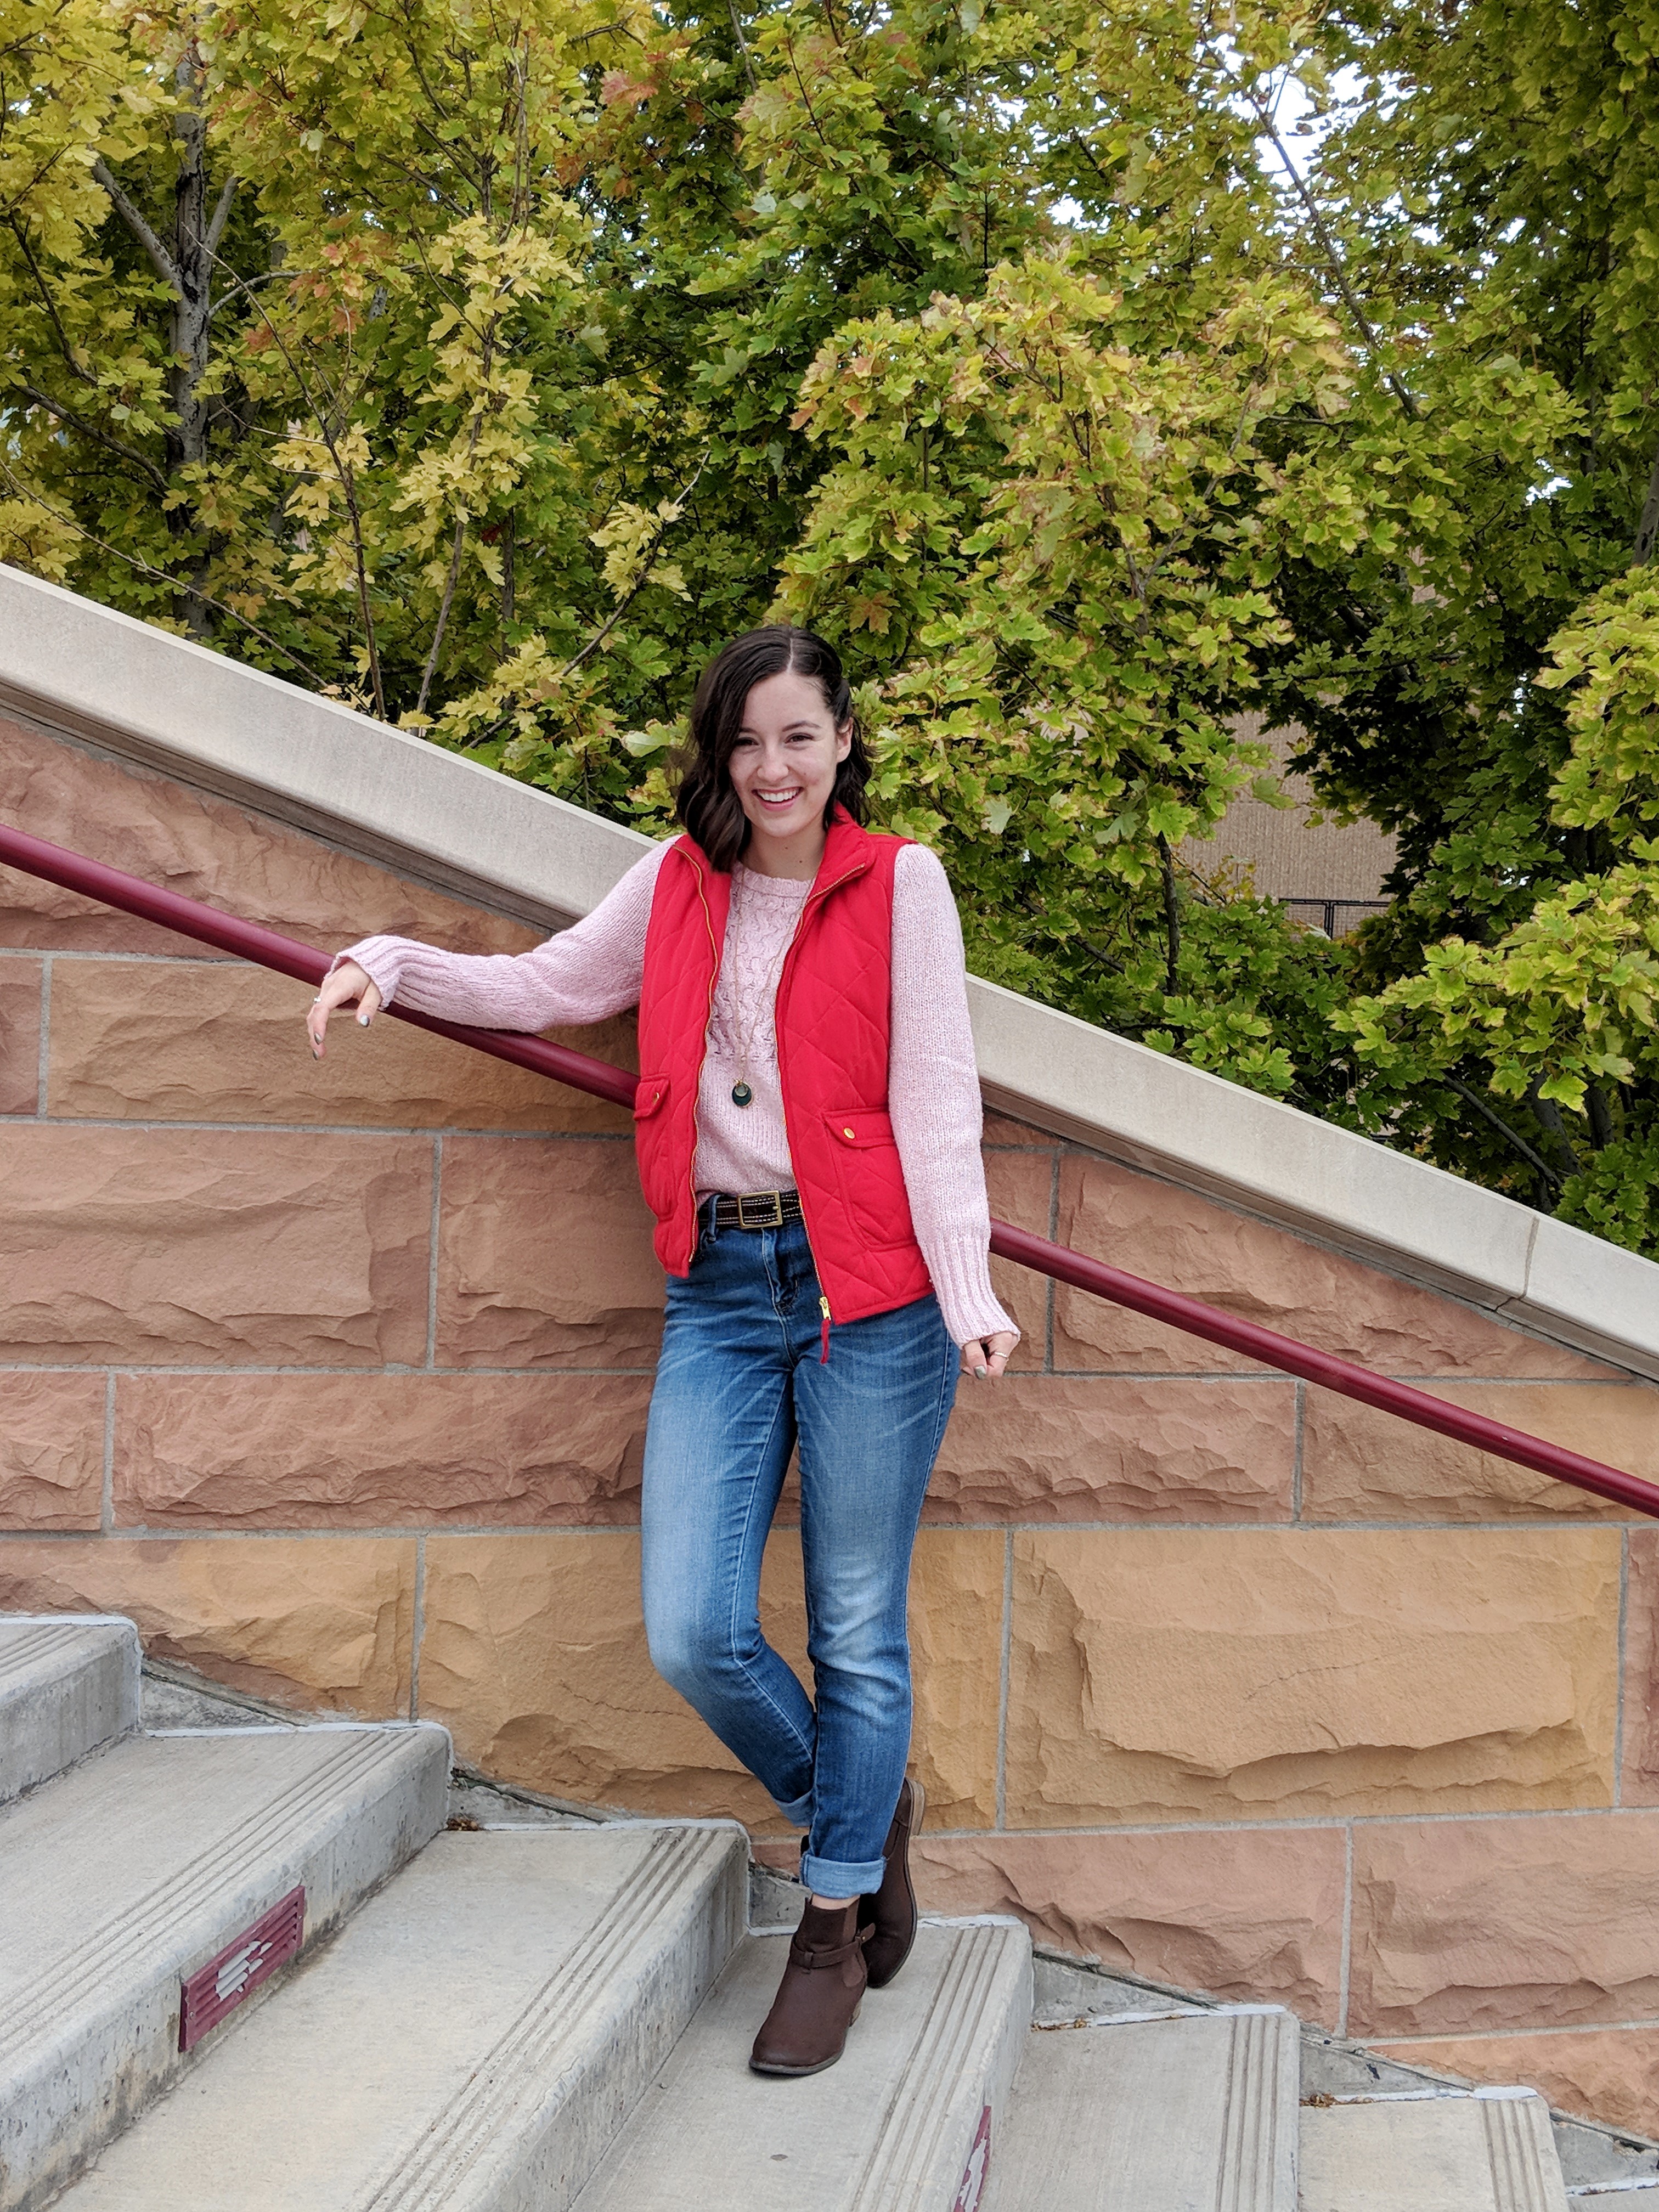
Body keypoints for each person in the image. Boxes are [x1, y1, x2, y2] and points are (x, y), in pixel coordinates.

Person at [306, 624, 1018, 2076]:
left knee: (856, 1625)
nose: (774, 769)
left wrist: (970, 1288)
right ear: (719, 752)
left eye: (800, 738)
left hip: (869, 1293)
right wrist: (388, 963)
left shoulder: (901, 885)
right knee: (695, 1626)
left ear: (841, 743)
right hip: (720, 1282)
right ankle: (860, 1807)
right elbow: (546, 989)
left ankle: (827, 1928)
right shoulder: (676, 882)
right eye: (747, 741)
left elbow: (938, 1098)